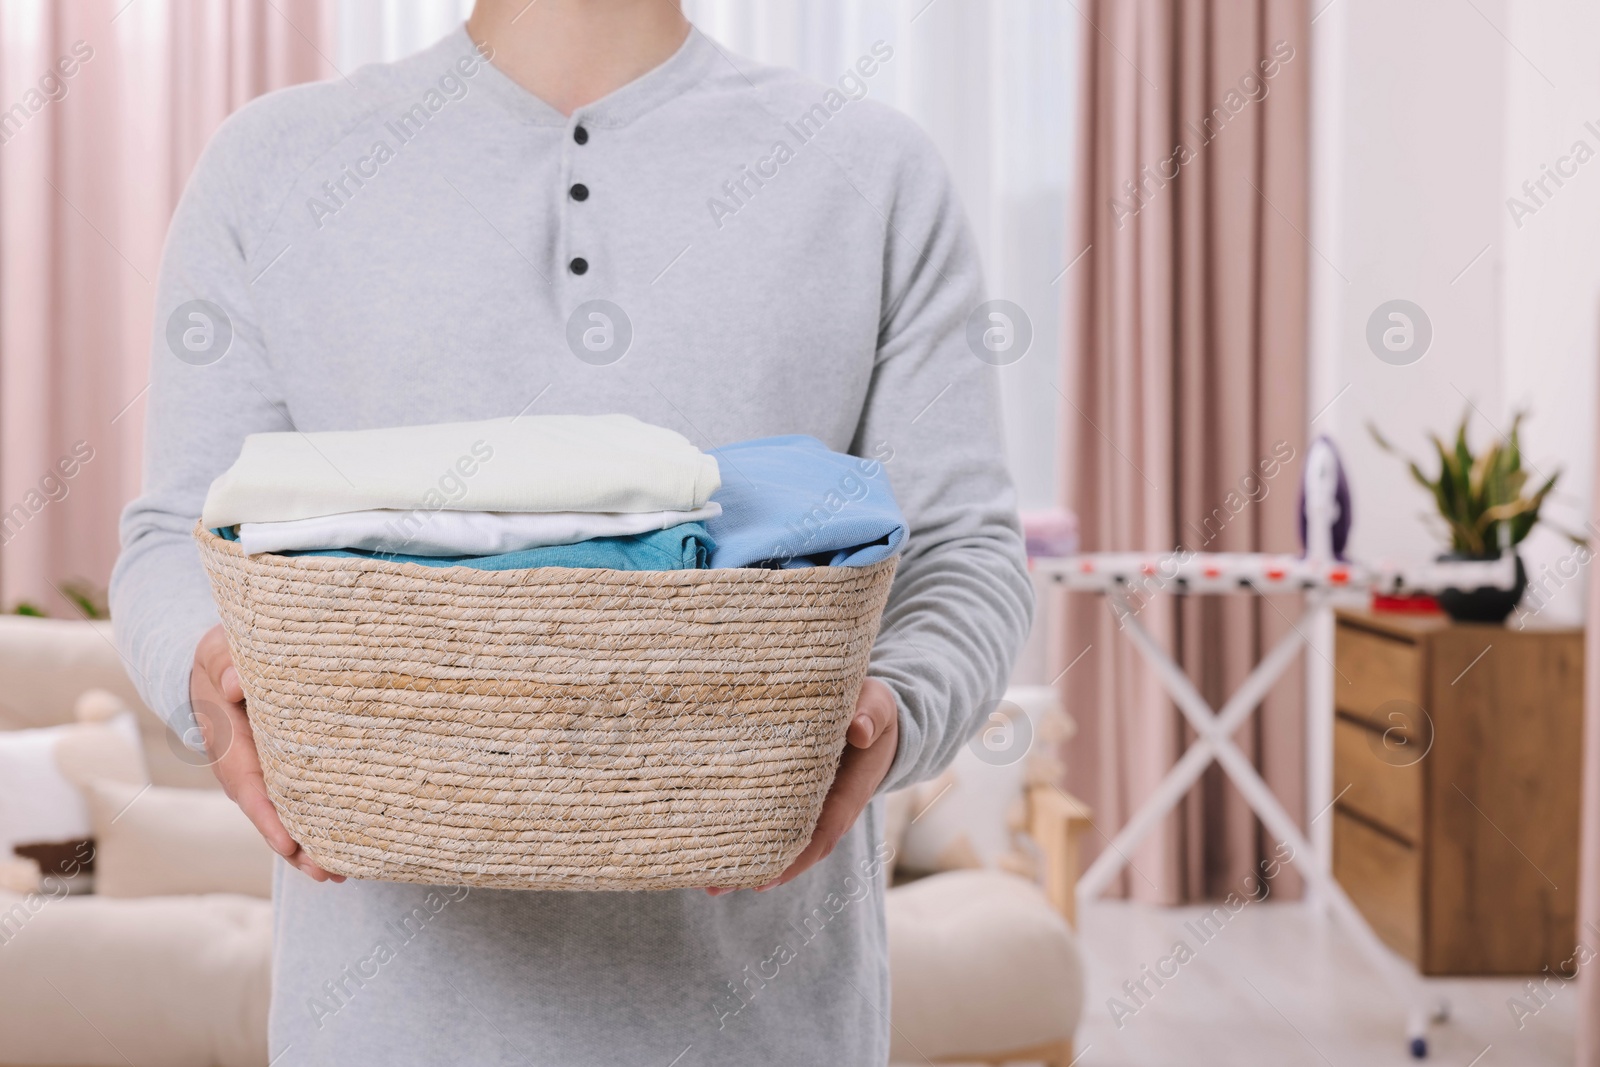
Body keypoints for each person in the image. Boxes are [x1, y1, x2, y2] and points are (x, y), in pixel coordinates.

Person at [110, 1, 1031, 1063]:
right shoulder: (269, 163)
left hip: (771, 1028)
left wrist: (893, 709)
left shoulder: (871, 171)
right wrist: (207, 674)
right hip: (378, 1031)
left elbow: (961, 551)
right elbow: (180, 534)